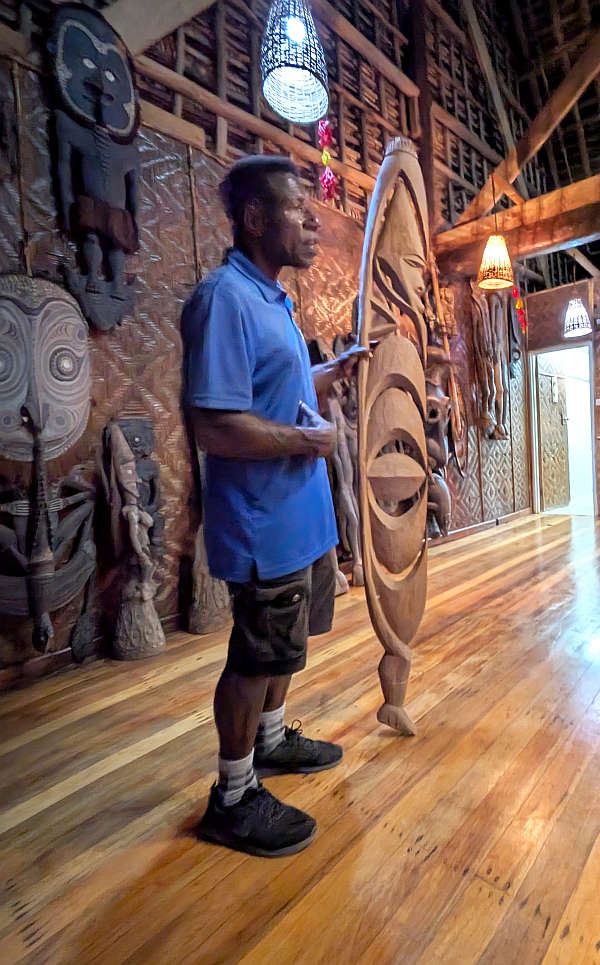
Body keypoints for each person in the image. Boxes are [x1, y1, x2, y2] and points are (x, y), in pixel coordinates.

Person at [182, 155, 366, 858]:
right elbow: (214, 424)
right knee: (254, 656)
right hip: (263, 524)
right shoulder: (223, 299)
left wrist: (327, 371)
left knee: (286, 645)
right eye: (298, 208)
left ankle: (271, 738)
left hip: (300, 518)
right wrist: (307, 441)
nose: (314, 221)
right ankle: (232, 796)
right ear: (255, 218)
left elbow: (269, 388)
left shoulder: (273, 299)